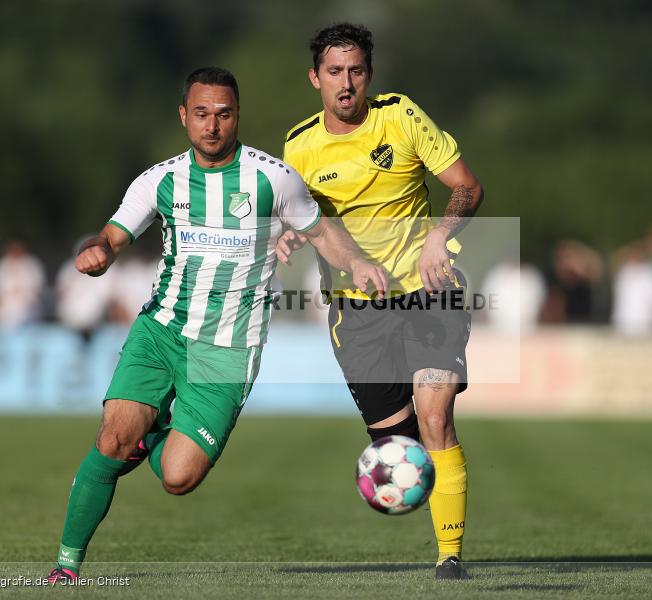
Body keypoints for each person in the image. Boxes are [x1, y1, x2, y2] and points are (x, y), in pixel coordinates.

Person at [46, 67, 386, 583]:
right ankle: (66, 567)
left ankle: (149, 434)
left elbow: (321, 233)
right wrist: (99, 253)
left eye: (223, 114)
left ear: (237, 117)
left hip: (228, 347)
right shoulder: (159, 180)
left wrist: (358, 263)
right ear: (184, 116)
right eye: (201, 114)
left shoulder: (273, 178)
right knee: (112, 439)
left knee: (178, 478)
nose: (212, 125)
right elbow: (113, 237)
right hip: (161, 331)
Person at [280, 23, 483, 580]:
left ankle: (450, 557)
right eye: (335, 73)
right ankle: (426, 479)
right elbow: (303, 221)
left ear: (369, 74)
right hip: (357, 307)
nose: (347, 84)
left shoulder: (400, 115)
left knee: (435, 415)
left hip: (430, 292)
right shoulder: (298, 147)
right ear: (315, 78)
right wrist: (287, 235)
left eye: (356, 71)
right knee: (396, 443)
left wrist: (439, 237)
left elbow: (466, 185)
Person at [0, 240, 46, 329]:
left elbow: (37, 288)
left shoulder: (32, 265)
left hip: (28, 308)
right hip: (5, 309)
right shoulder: (0, 266)